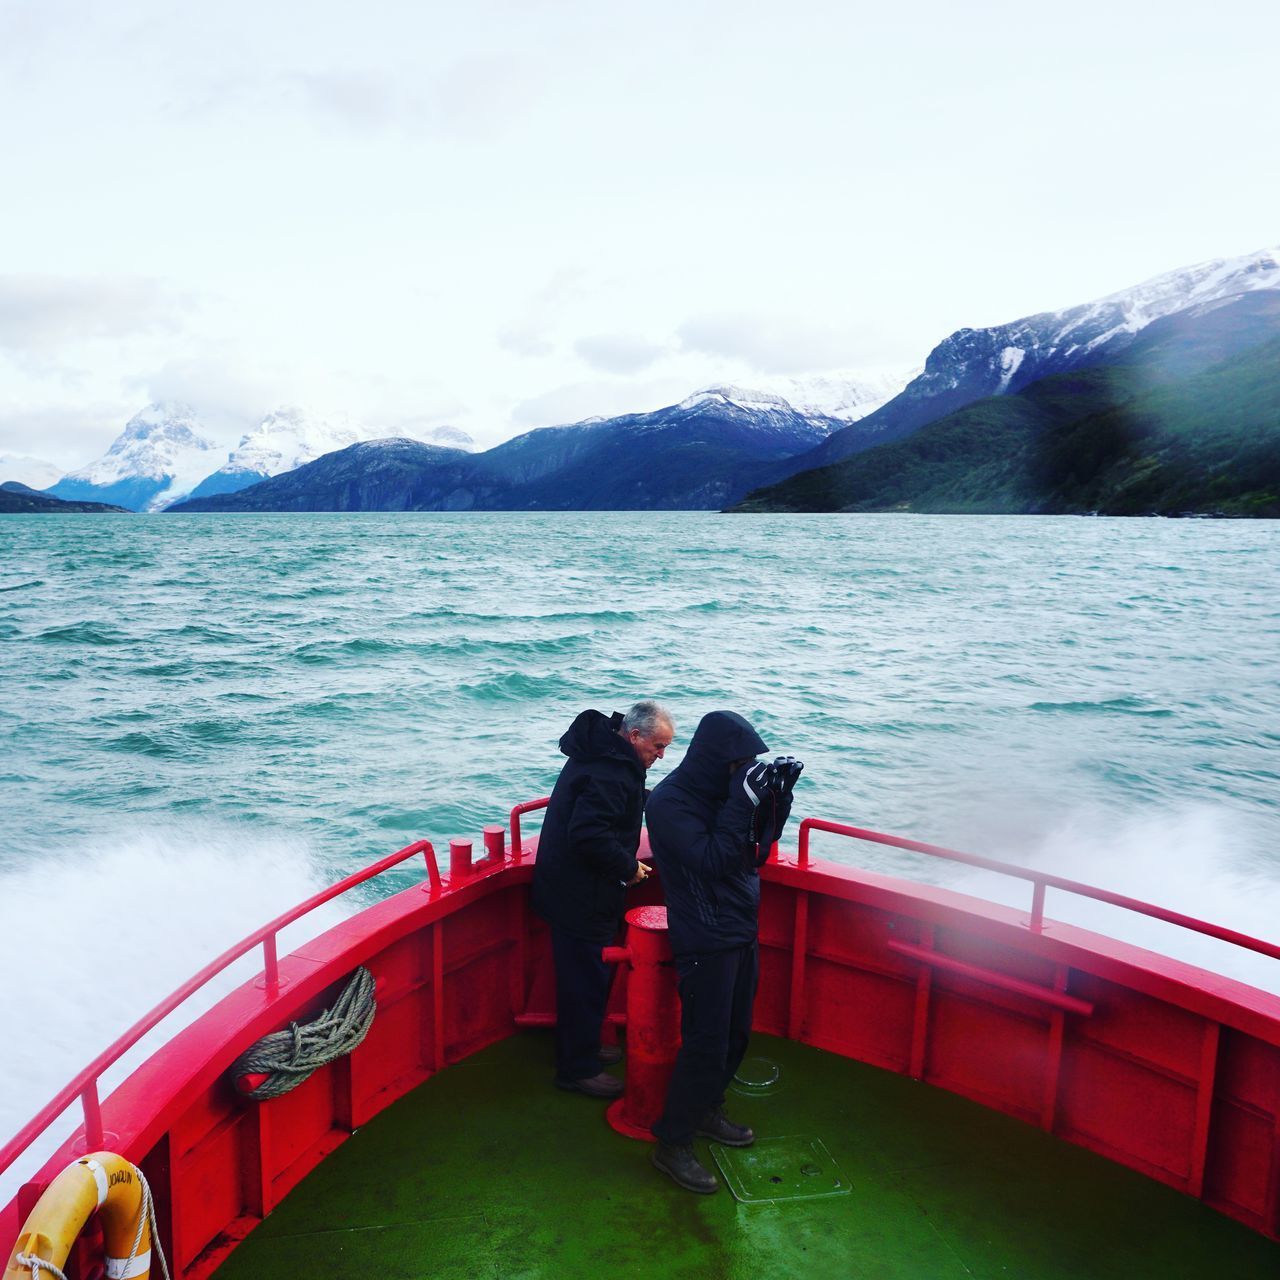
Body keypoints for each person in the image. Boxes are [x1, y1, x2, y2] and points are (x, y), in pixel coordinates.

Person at [645, 710, 801, 1193]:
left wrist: (775, 802)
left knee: (736, 1035)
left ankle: (708, 1110)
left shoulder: (726, 795)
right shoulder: (671, 802)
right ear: (717, 760)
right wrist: (741, 803)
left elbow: (755, 853)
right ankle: (672, 1144)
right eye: (740, 765)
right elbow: (713, 861)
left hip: (739, 929)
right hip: (705, 937)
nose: (744, 773)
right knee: (705, 1046)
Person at [531, 700, 675, 1098]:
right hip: (580, 895)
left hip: (571, 887)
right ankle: (576, 1069)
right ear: (634, 736)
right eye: (658, 746)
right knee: (584, 981)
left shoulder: (607, 756)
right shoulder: (611, 771)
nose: (661, 755)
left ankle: (585, 1048)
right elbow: (589, 834)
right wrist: (628, 868)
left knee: (587, 977)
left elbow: (613, 805)